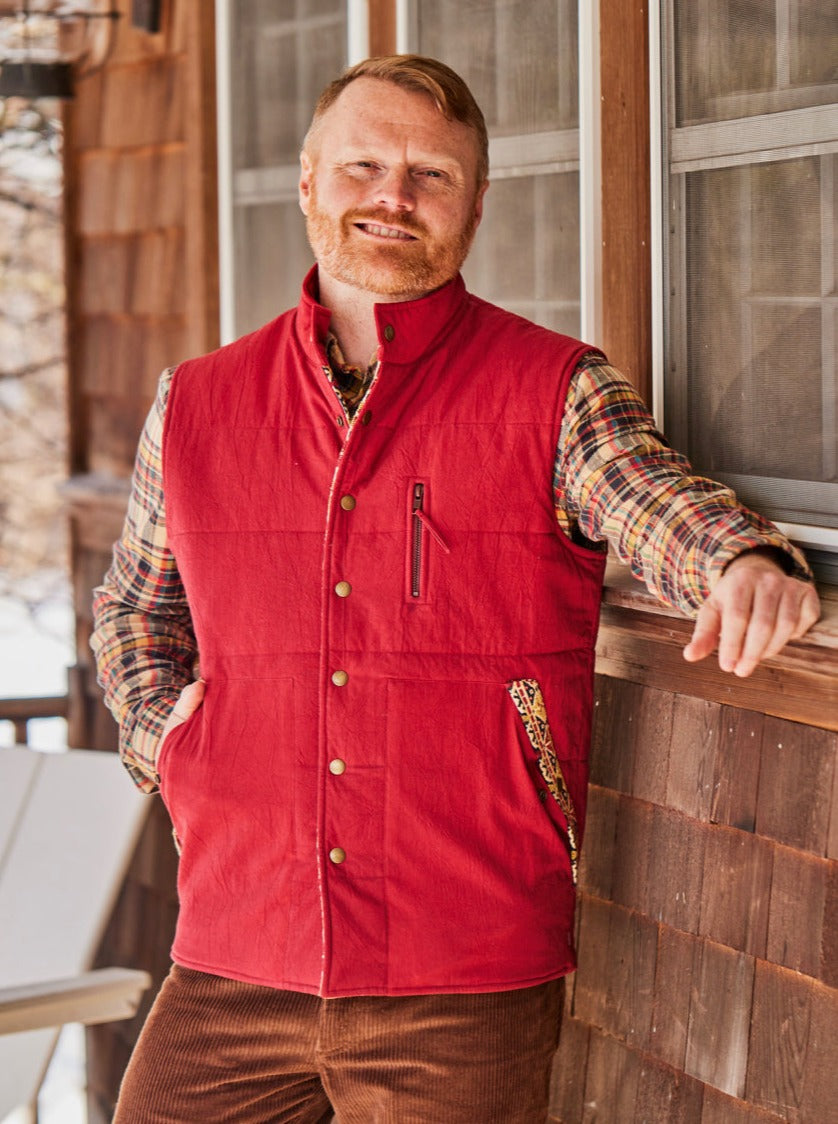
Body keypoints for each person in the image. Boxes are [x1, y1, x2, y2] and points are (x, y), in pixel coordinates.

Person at [91, 54, 820, 1124]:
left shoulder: (554, 387)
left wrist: (739, 560)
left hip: (462, 963)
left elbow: (644, 495)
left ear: (475, 207)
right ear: (307, 181)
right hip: (234, 945)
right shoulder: (196, 403)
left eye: (430, 175)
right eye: (365, 165)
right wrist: (171, 737)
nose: (394, 195)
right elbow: (133, 611)